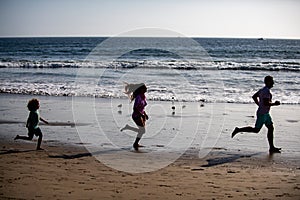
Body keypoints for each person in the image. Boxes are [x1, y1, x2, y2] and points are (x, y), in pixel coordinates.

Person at [231, 76, 281, 153]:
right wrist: (275, 104)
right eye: (272, 81)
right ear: (268, 82)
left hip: (266, 114)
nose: (273, 83)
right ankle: (238, 129)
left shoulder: (262, 90)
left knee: (271, 128)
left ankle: (272, 147)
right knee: (256, 130)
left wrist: (259, 105)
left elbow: (254, 96)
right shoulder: (266, 91)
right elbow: (266, 103)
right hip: (262, 114)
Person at [121, 83, 148, 151]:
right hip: (136, 116)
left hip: (141, 115)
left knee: (142, 131)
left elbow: (142, 107)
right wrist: (141, 114)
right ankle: (135, 143)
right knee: (142, 130)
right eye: (145, 88)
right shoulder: (138, 97)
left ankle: (129, 128)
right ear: (141, 89)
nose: (146, 89)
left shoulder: (143, 96)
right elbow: (135, 108)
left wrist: (145, 114)